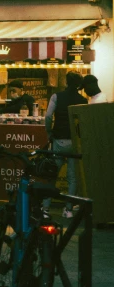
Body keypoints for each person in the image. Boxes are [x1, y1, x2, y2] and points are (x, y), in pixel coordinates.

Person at [45, 71, 87, 218]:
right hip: (75, 142)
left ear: (66, 82)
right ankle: (68, 209)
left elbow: (48, 116)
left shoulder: (56, 96)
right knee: (72, 178)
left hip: (59, 140)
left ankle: (45, 209)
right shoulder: (83, 100)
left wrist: (49, 132)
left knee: (52, 174)